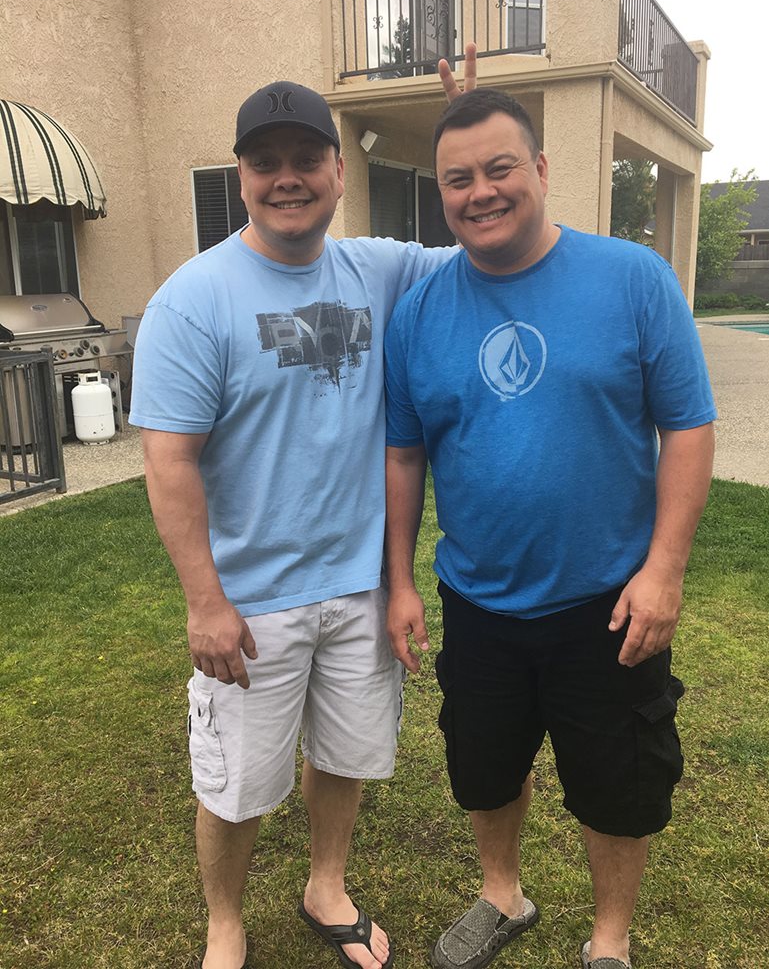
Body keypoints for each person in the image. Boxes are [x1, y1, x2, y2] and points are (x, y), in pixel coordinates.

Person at [128, 80, 460, 969]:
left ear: (338, 171)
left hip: (358, 585)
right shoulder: (192, 300)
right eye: (265, 162)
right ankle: (225, 923)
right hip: (250, 601)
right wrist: (205, 602)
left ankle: (326, 885)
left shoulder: (378, 269)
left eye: (306, 159)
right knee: (236, 787)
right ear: (241, 177)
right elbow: (169, 463)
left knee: (344, 757)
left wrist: (459, 128)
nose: (288, 178)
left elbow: (480, 236)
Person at [384, 88, 716, 969]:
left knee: (618, 781)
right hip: (478, 600)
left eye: (499, 169)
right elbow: (404, 454)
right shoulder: (418, 312)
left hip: (607, 602)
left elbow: (687, 426)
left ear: (538, 168)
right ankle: (502, 895)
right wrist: (400, 582)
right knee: (483, 768)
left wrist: (664, 571)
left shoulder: (632, 278)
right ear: (440, 192)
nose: (480, 192)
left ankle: (609, 939)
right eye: (457, 179)